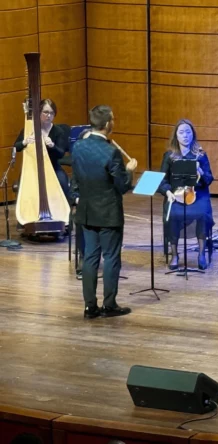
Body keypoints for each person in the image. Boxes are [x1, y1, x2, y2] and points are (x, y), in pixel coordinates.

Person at [72, 105, 137, 319]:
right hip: (108, 213)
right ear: (108, 124)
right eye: (113, 119)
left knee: (90, 258)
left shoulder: (78, 147)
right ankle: (109, 305)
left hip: (87, 211)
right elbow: (122, 186)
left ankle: (90, 307)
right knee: (110, 258)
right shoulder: (111, 152)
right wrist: (129, 171)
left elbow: (77, 178)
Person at [158, 119, 214, 270]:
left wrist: (200, 171)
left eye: (188, 132)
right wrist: (168, 192)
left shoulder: (200, 155)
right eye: (181, 132)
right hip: (175, 196)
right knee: (172, 214)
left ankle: (201, 254)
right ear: (176, 136)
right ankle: (175, 255)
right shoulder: (169, 156)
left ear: (193, 134)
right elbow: (162, 180)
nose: (185, 135)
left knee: (203, 214)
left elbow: (209, 179)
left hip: (197, 195)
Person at [14, 98, 70, 198]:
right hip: (32, 167)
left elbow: (61, 153)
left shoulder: (58, 131)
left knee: (63, 183)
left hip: (53, 167)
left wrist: (52, 145)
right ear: (39, 112)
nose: (49, 116)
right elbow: (16, 147)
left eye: (52, 113)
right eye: (46, 112)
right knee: (24, 188)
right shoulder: (29, 130)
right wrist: (25, 142)